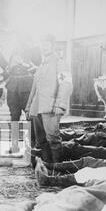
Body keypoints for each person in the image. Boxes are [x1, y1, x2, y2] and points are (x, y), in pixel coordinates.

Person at [25, 34, 73, 164]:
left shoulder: (60, 63)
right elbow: (34, 90)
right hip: (37, 108)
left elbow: (66, 84)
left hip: (51, 107)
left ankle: (57, 167)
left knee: (53, 139)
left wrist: (60, 104)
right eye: (42, 45)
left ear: (53, 45)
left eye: (47, 44)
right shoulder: (40, 66)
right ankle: (47, 166)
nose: (44, 47)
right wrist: (29, 107)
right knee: (41, 141)